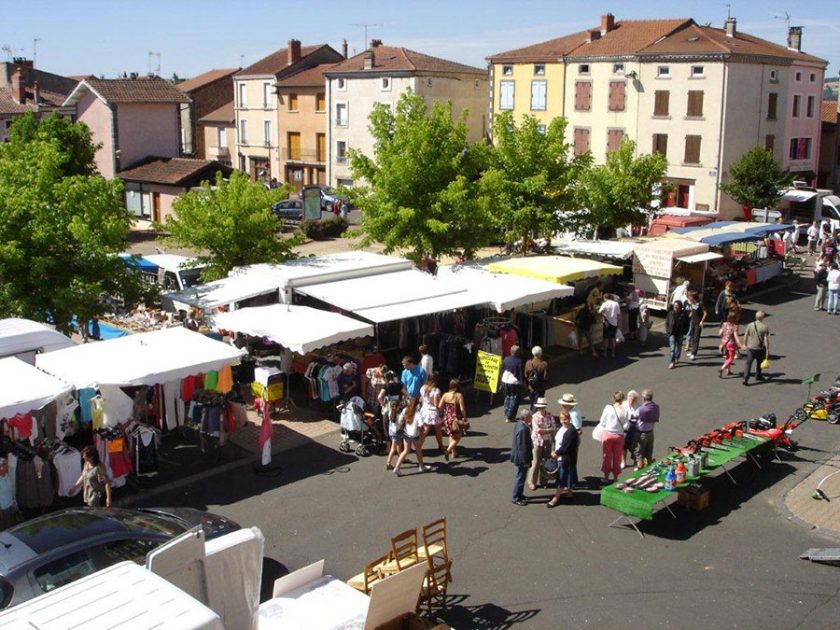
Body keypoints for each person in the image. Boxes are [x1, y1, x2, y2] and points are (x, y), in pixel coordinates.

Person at [546, 410, 580, 506]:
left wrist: (556, 453)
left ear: (569, 419)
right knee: (568, 476)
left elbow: (566, 447)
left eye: (565, 419)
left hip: (566, 459)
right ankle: (569, 494)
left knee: (562, 478)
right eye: (561, 419)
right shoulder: (563, 428)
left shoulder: (571, 431)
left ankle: (555, 498)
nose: (563, 421)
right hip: (565, 458)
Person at [597, 392, 629, 483]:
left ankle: (606, 477)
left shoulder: (608, 408)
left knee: (606, 456)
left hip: (608, 434)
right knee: (617, 457)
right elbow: (626, 425)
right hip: (619, 436)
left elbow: (602, 422)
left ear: (613, 398)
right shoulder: (625, 410)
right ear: (622, 399)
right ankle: (615, 478)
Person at [393, 400, 431, 476]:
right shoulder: (417, 414)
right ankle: (421, 466)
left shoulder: (405, 410)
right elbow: (420, 425)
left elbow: (400, 420)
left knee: (405, 451)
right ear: (417, 406)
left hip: (406, 434)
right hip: (415, 435)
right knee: (418, 450)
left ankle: (397, 467)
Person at [527, 398, 556, 491]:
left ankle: (544, 481)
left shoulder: (550, 415)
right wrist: (549, 430)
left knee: (546, 462)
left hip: (548, 442)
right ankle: (532, 482)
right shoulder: (535, 417)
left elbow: (554, 428)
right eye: (539, 407)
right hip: (537, 442)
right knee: (535, 462)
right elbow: (538, 430)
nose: (541, 409)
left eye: (542, 407)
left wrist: (545, 431)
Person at [439, 378, 468, 460]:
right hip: (455, 419)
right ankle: (448, 450)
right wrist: (465, 417)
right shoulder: (459, 395)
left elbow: (440, 406)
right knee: (458, 437)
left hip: (447, 418)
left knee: (451, 435)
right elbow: (462, 409)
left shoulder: (445, 395)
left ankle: (453, 453)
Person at [510, 410, 534, 506]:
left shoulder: (519, 424)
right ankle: (516, 497)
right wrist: (525, 461)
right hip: (522, 458)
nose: (531, 418)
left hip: (520, 456)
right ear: (526, 417)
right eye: (530, 416)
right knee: (520, 477)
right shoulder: (523, 429)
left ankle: (519, 494)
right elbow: (522, 446)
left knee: (521, 476)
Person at [742, 310, 770, 386]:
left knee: (748, 363)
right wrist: (767, 350)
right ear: (763, 318)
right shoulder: (765, 327)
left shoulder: (750, 325)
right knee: (759, 363)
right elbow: (766, 340)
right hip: (760, 348)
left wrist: (744, 344)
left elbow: (745, 335)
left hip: (751, 348)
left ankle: (745, 378)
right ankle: (758, 375)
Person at [633, 389, 660, 470]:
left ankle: (640, 471)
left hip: (641, 434)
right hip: (650, 433)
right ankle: (650, 471)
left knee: (639, 454)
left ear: (643, 398)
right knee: (649, 453)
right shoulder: (656, 407)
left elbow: (634, 416)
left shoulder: (641, 409)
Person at [418, 372, 444, 452]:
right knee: (438, 430)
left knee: (424, 431)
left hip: (425, 410)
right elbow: (437, 405)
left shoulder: (423, 388)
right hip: (433, 412)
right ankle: (440, 445)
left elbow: (421, 399)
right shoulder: (436, 390)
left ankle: (418, 446)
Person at [499, 345, 524, 422]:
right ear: (518, 353)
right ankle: (510, 416)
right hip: (514, 383)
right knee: (514, 399)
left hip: (505, 381)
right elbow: (520, 374)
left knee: (507, 397)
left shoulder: (506, 359)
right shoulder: (519, 361)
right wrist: (522, 382)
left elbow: (501, 369)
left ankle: (507, 413)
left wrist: (501, 380)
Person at [665, 301, 690, 369]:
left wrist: (685, 331)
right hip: (672, 333)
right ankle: (672, 362)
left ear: (680, 307)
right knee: (672, 348)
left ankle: (677, 357)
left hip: (680, 333)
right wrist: (667, 330)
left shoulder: (684, 315)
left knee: (678, 347)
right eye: (674, 306)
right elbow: (667, 321)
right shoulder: (671, 313)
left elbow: (687, 324)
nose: (675, 308)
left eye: (677, 307)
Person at [718, 312, 743, 378]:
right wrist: (740, 345)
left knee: (728, 357)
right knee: (731, 358)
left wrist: (724, 338)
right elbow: (736, 337)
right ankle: (722, 368)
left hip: (724, 342)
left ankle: (728, 370)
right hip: (731, 343)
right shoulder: (735, 326)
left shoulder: (724, 324)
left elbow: (720, 333)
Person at [685, 290, 707, 361]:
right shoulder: (693, 303)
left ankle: (694, 353)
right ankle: (692, 352)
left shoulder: (700, 303)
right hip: (692, 322)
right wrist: (690, 314)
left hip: (698, 323)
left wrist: (702, 321)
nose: (689, 297)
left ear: (693, 297)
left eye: (690, 296)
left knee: (696, 338)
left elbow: (705, 312)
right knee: (692, 337)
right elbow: (693, 310)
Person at [384, 397, 405, 471]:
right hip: (397, 432)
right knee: (393, 448)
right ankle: (388, 463)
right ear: (398, 406)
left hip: (391, 431)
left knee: (399, 445)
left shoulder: (390, 412)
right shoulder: (399, 415)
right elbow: (401, 424)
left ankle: (402, 457)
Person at [598, 293, 621, 358]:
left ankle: (605, 353)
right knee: (613, 338)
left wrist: (604, 315)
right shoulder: (616, 304)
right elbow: (619, 315)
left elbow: (599, 312)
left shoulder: (604, 304)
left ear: (605, 298)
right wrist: (618, 324)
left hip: (607, 323)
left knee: (606, 338)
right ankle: (613, 353)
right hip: (614, 323)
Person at [621, 390, 640, 469]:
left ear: (636, 400)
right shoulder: (623, 405)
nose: (631, 401)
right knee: (623, 447)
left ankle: (635, 463)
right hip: (625, 430)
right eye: (630, 399)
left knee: (635, 448)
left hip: (634, 430)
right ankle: (623, 462)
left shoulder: (638, 407)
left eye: (633, 400)